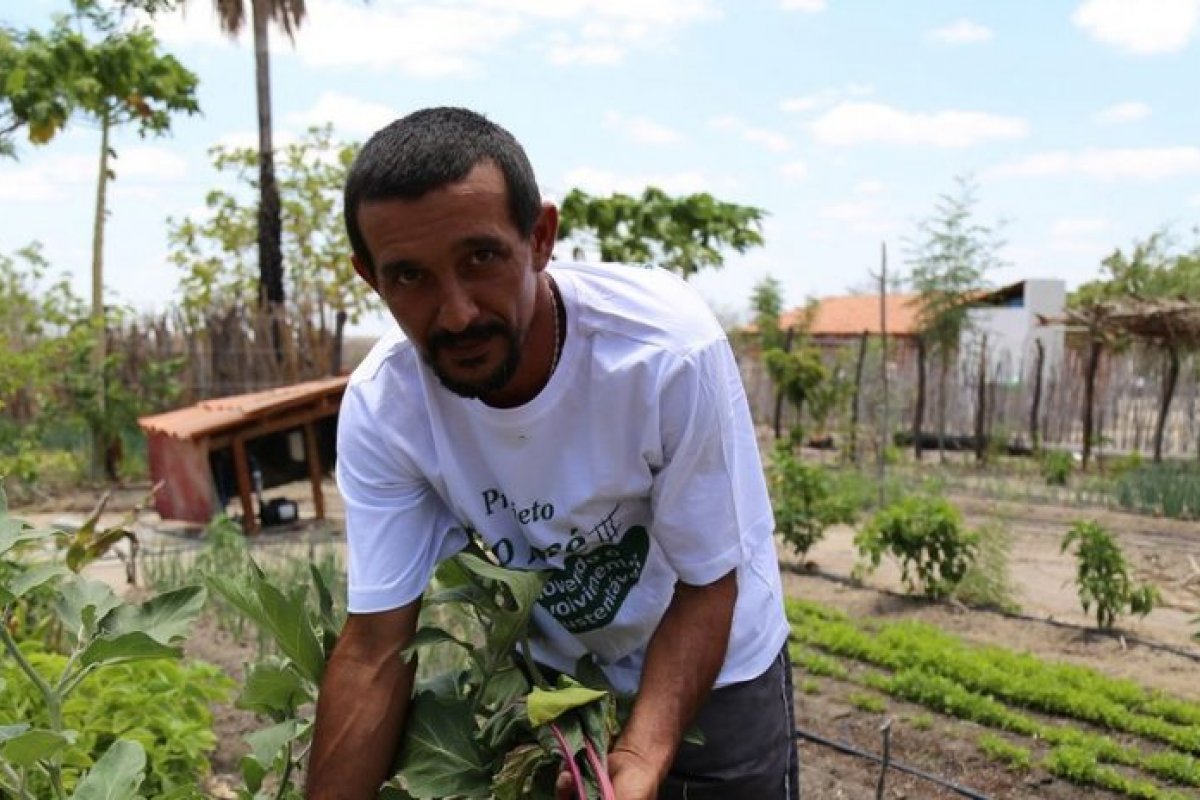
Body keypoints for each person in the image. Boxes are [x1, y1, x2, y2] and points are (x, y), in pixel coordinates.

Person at [306, 106, 797, 800]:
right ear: (369, 277)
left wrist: (643, 753)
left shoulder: (664, 353)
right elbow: (377, 645)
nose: (455, 314)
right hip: (562, 686)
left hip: (720, 667)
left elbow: (710, 581)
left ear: (540, 237)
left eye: (481, 259)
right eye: (409, 277)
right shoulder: (387, 409)